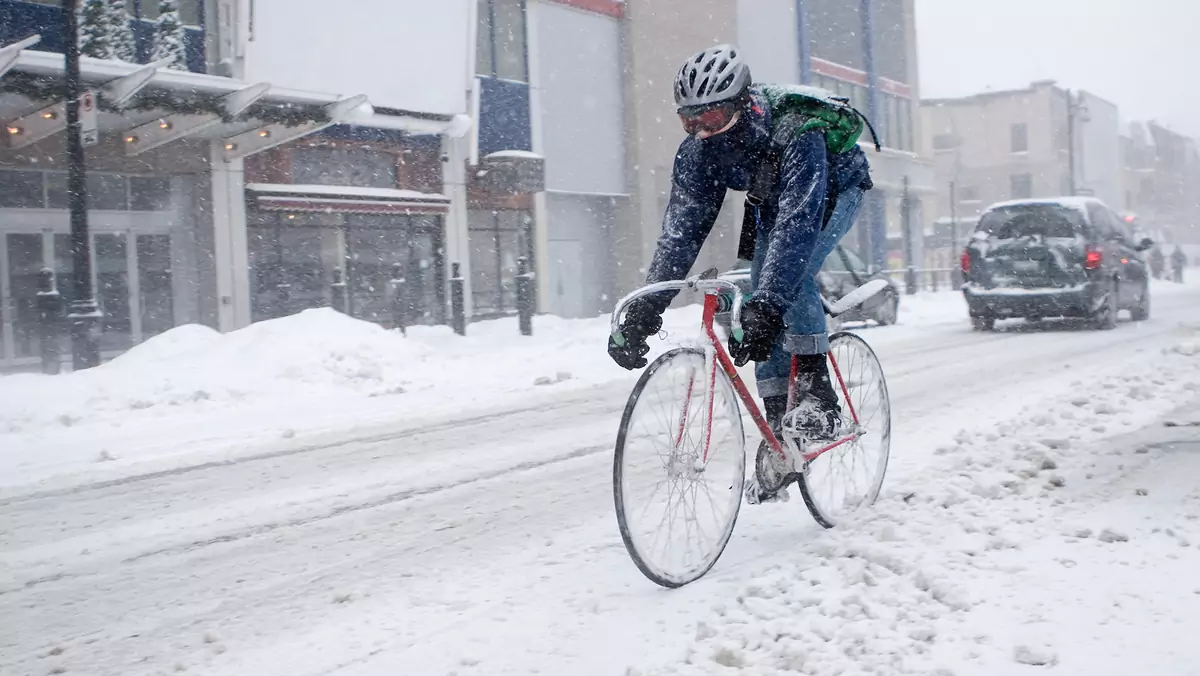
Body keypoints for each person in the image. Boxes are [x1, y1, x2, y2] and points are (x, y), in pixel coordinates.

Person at [606, 44, 875, 500]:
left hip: (832, 187)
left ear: (743, 105)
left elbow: (796, 230)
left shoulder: (795, 133)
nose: (702, 132)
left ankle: (817, 396)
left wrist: (770, 307)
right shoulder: (696, 155)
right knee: (757, 293)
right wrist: (645, 309)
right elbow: (680, 236)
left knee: (790, 278)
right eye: (689, 122)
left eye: (711, 119)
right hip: (773, 195)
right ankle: (779, 434)